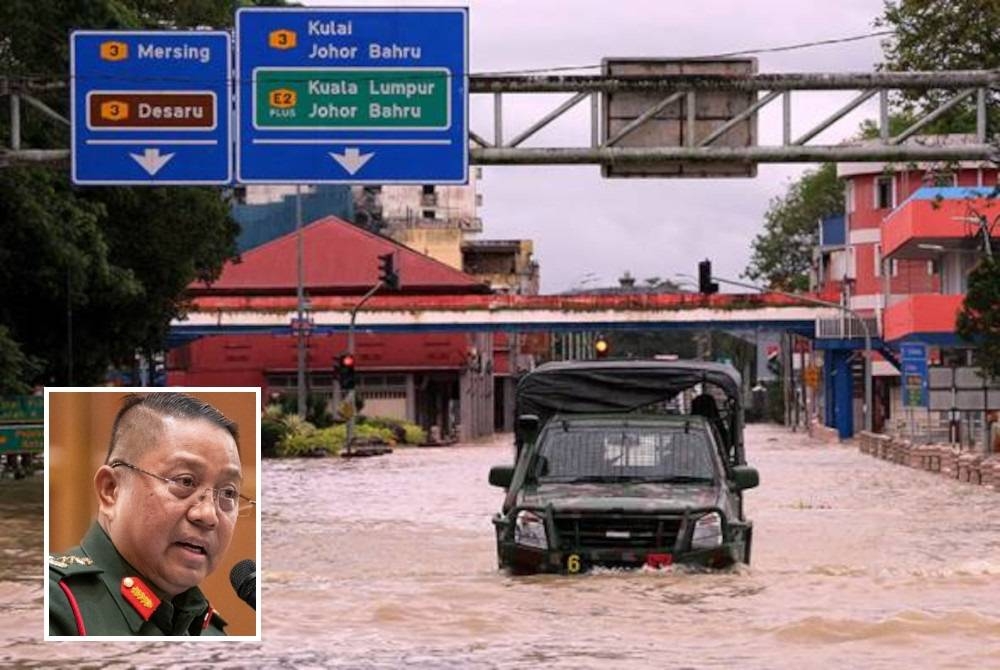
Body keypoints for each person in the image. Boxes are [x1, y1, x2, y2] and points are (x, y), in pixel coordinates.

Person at [48, 392, 252, 636]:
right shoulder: (53, 606)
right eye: (185, 481)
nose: (208, 515)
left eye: (228, 493)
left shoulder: (212, 634)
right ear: (111, 490)